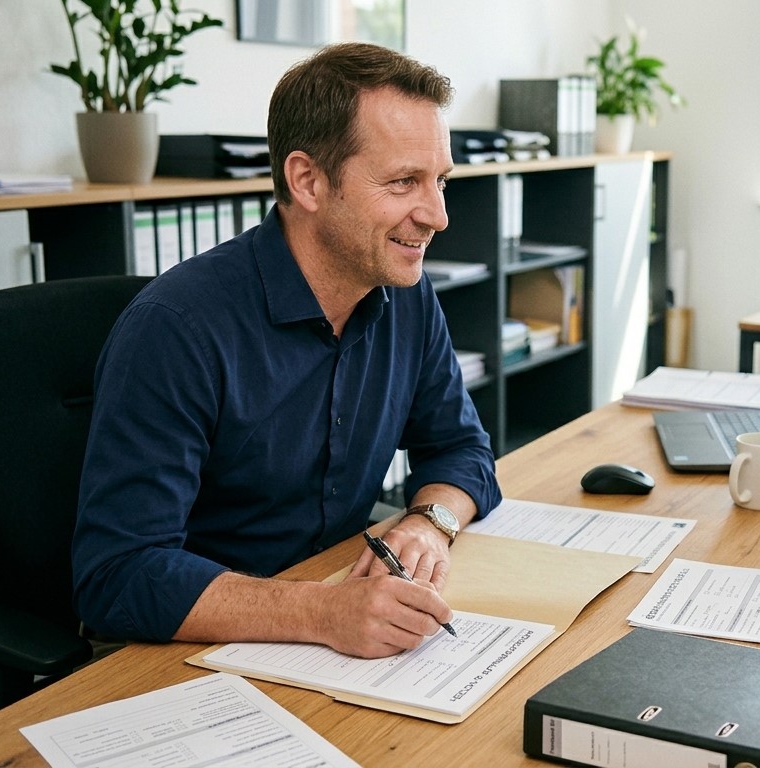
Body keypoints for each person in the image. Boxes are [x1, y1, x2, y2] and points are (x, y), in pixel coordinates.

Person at [72, 43, 501, 660]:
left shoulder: (404, 294)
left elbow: (461, 448)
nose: (438, 215)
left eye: (440, 181)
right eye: (404, 182)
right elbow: (118, 575)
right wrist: (324, 611)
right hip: (186, 651)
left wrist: (428, 525)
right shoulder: (175, 330)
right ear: (308, 181)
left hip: (334, 616)